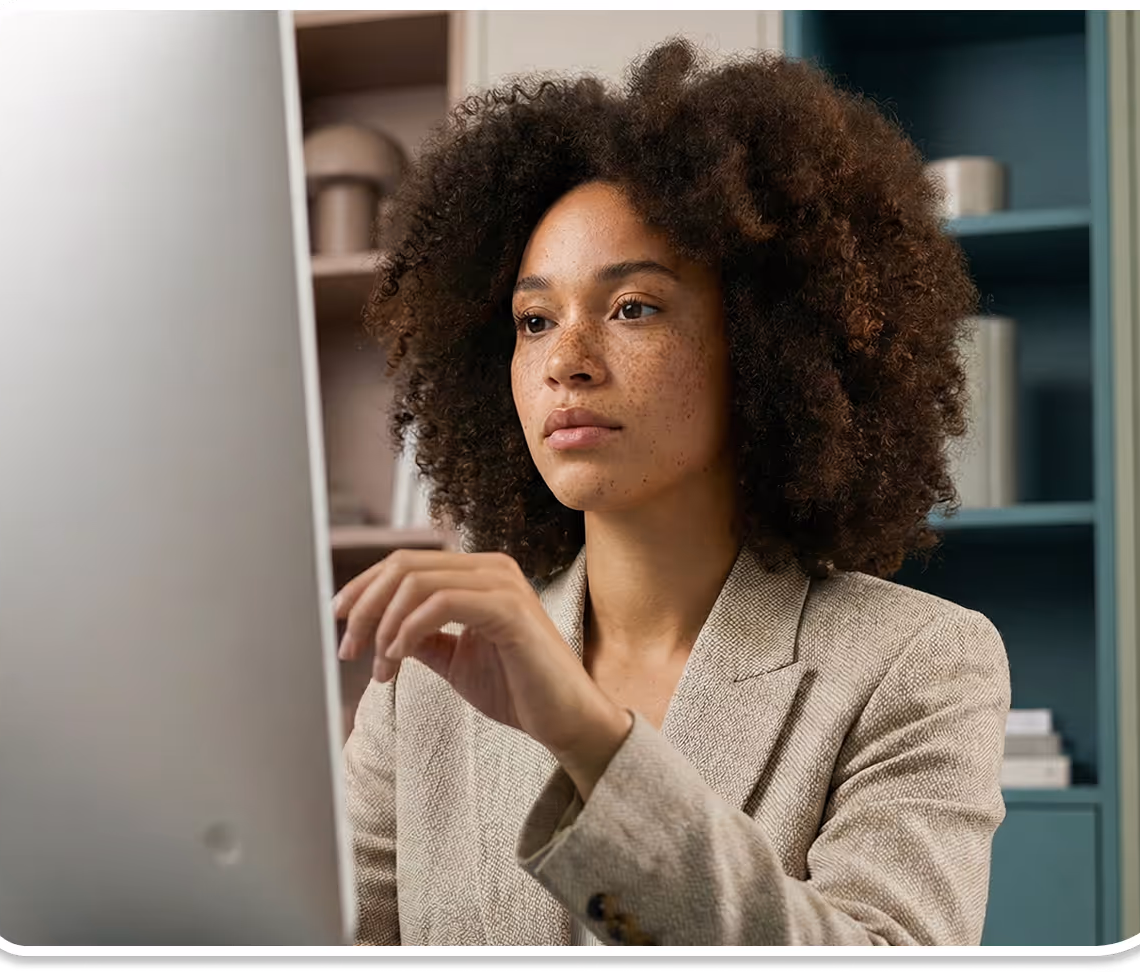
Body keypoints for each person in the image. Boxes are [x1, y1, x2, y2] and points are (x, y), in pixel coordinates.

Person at [332, 38, 1010, 946]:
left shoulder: (919, 663)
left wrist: (587, 735)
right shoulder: (424, 683)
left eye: (633, 308)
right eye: (534, 322)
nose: (565, 362)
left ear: (771, 346)